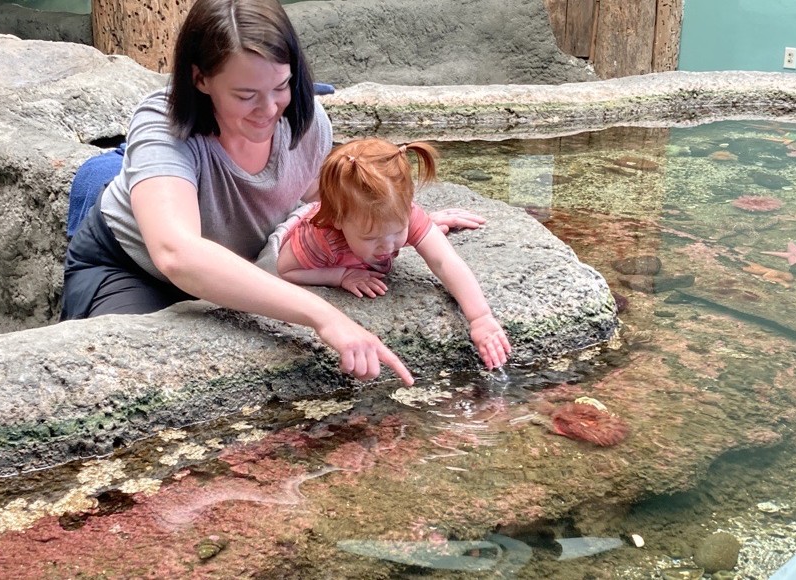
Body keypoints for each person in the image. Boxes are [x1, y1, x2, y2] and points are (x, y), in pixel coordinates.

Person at [61, 0, 484, 386]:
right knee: (140, 380)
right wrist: (323, 316)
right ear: (200, 78)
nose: (268, 110)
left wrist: (397, 223)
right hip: (134, 270)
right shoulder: (163, 126)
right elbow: (177, 254)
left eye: (280, 87)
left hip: (239, 267)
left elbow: (316, 193)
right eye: (245, 95)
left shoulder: (307, 120)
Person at [268, 138, 511, 369]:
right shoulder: (321, 239)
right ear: (339, 221)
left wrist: (480, 318)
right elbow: (287, 269)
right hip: (303, 232)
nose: (387, 247)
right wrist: (341, 275)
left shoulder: (403, 216)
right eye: (371, 238)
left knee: (406, 230)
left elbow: (444, 260)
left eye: (398, 231)